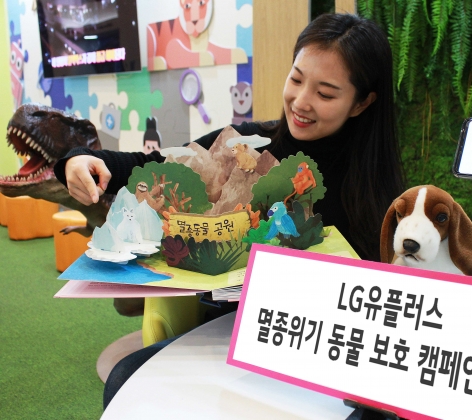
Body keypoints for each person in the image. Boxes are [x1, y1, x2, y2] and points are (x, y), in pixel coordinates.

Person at [54, 13, 405, 409]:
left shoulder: (377, 191)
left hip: (325, 347)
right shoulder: (246, 147)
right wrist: (81, 160)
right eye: (296, 79)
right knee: (126, 379)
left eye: (325, 94)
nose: (301, 102)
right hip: (234, 331)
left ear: (362, 102)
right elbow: (154, 166)